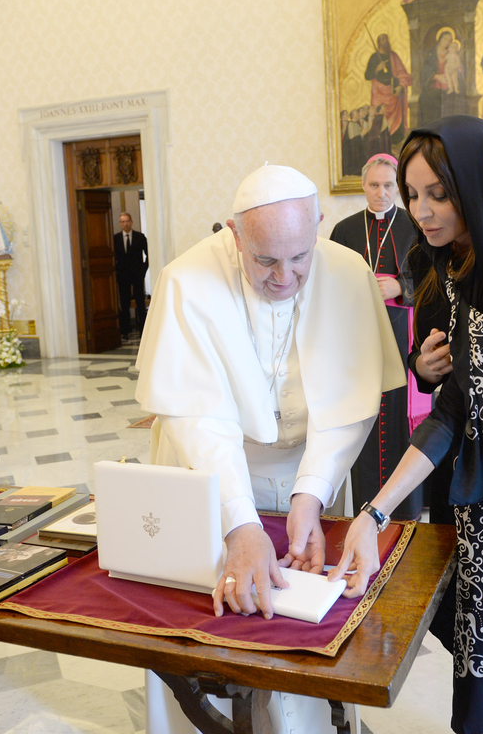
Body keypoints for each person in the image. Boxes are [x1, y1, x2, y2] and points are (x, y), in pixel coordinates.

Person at [135, 164, 405, 734]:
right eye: (265, 261)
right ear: (235, 236)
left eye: (300, 256)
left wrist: (311, 491)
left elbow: (349, 403)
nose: (286, 276)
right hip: (209, 478)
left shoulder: (348, 272)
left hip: (309, 467)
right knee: (207, 623)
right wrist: (240, 523)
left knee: (306, 619)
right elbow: (200, 420)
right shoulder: (188, 281)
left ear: (319, 227)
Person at [329, 115, 483, 734]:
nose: (424, 210)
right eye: (413, 195)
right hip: (461, 468)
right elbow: (434, 366)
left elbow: (460, 402)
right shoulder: (432, 259)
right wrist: (423, 362)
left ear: (478, 185)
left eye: (440, 194)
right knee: (462, 601)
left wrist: (376, 510)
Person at [330, 154, 424, 520]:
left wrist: (401, 286)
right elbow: (331, 280)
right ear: (364, 186)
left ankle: (406, 509)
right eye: (374, 185)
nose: (381, 193)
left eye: (388, 186)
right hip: (358, 338)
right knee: (363, 417)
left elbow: (434, 275)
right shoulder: (345, 230)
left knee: (399, 420)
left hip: (403, 339)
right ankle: (365, 506)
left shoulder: (416, 226)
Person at [364, 32, 412, 144]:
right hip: (378, 92)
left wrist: (400, 86)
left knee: (395, 119)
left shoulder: (393, 56)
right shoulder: (374, 57)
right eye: (382, 40)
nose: (384, 42)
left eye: (386, 39)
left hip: (393, 92)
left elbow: (402, 73)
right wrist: (377, 69)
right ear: (378, 43)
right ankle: (379, 142)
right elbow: (367, 75)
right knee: (379, 116)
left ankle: (395, 142)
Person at [113, 212, 148, 339]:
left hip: (137, 274)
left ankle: (143, 330)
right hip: (123, 276)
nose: (125, 224)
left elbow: (148, 254)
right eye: (122, 222)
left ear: (131, 222)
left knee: (140, 302)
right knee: (124, 302)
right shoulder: (115, 238)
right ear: (120, 224)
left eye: (127, 221)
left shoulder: (140, 237)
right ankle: (125, 330)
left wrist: (143, 270)